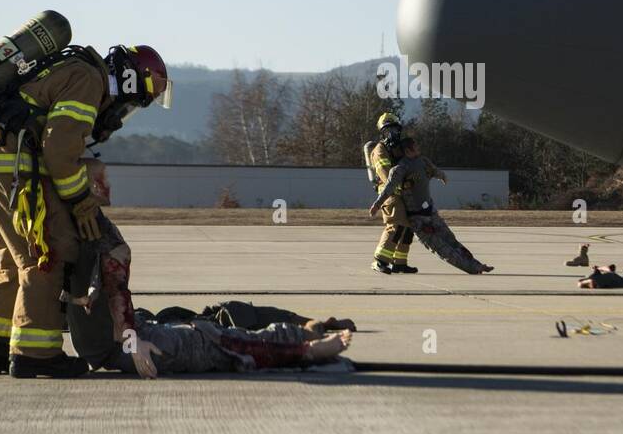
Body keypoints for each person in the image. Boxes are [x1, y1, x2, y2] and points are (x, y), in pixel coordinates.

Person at [0, 43, 171, 378]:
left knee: (11, 260)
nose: (123, 114)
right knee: (45, 256)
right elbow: (60, 149)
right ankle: (36, 354)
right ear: (128, 81)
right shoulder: (88, 80)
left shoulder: (68, 69)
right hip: (18, 169)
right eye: (133, 103)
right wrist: (80, 201)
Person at [67, 160, 352, 377]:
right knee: (217, 343)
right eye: (101, 179)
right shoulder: (97, 235)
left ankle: (302, 332)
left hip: (114, 340)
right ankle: (306, 349)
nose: (108, 184)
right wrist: (132, 342)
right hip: (121, 345)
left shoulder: (74, 227)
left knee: (208, 321)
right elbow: (113, 290)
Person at [368, 138, 493, 274]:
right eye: (416, 147)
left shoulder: (423, 161)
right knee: (442, 248)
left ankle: (476, 264)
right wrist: (377, 204)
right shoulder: (399, 169)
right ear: (408, 151)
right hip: (418, 219)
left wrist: (442, 176)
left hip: (431, 212)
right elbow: (389, 188)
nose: (419, 149)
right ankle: (473, 268)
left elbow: (435, 171)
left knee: (450, 240)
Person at [367, 113, 416, 274]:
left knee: (408, 228)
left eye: (395, 129)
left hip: (404, 193)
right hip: (390, 195)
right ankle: (379, 260)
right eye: (388, 130)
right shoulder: (379, 150)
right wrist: (402, 185)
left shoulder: (399, 149)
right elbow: (385, 173)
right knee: (395, 226)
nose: (392, 133)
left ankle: (400, 262)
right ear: (382, 133)